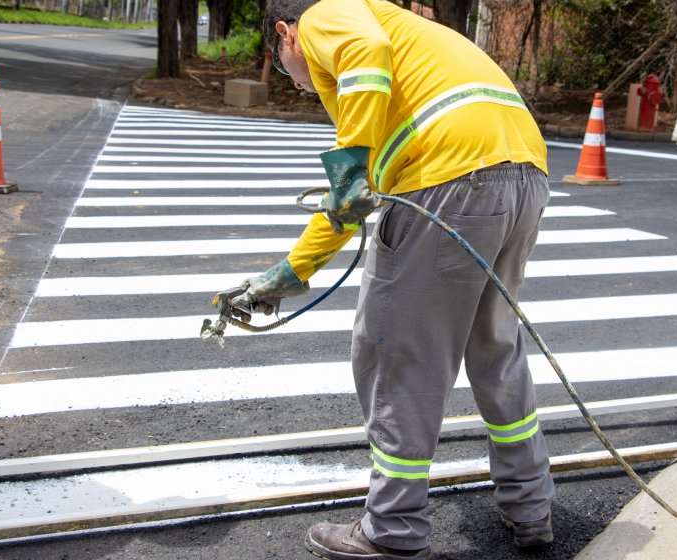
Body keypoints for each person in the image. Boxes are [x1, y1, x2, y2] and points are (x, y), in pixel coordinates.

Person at [230, 0, 556, 557]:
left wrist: (351, 160)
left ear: (286, 35)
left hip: (448, 178)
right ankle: (531, 507)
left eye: (287, 66)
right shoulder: (395, 72)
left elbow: (364, 57)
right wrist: (294, 269)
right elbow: (353, 202)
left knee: (397, 357)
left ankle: (393, 529)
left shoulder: (326, 17)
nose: (298, 82)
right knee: (494, 348)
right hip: (522, 173)